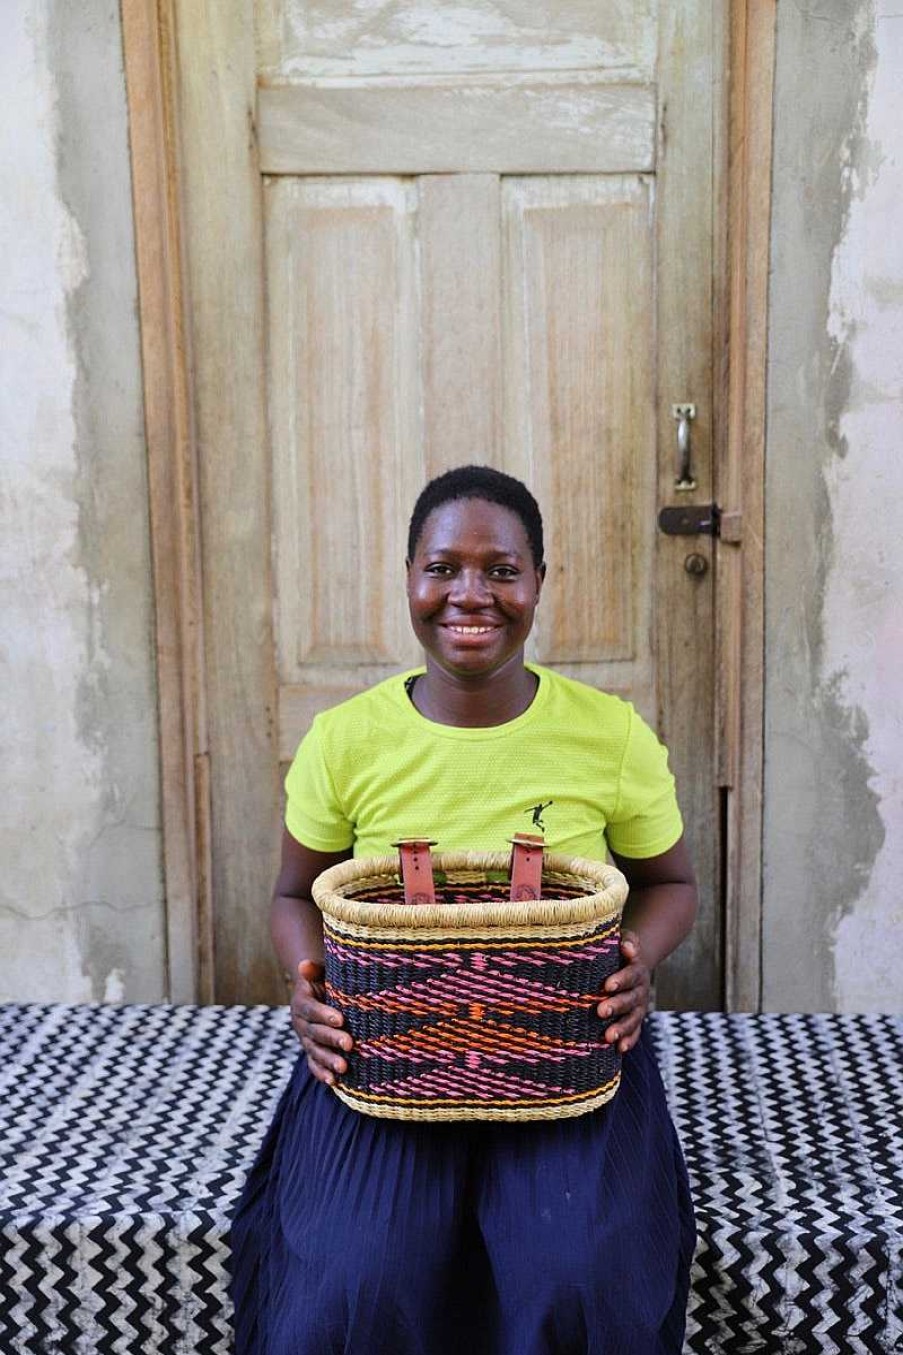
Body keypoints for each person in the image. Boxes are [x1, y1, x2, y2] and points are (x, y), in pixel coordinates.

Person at [230, 465, 697, 1355]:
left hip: (565, 1047)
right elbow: (297, 893)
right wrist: (308, 991)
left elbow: (671, 883)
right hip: (383, 1056)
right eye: (442, 567)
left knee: (578, 1273)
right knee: (351, 1275)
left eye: (501, 569)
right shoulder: (345, 739)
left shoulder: (610, 734)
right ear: (408, 576)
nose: (470, 595)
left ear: (539, 582)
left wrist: (637, 957)